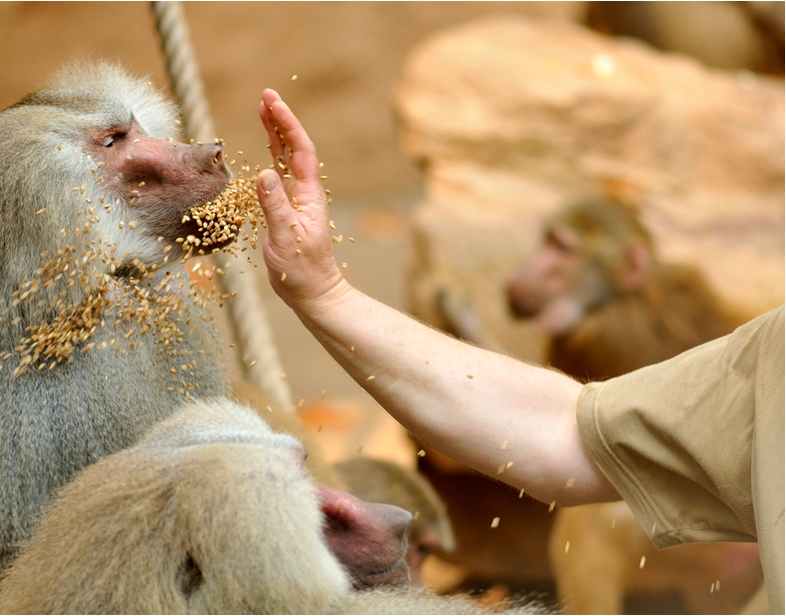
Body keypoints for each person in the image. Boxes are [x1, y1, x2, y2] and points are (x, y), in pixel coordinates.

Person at [254, 89, 784, 612]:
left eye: (563, 254)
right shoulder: (756, 348)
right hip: (705, 514)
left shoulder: (606, 336)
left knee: (587, 522)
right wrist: (323, 292)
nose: (534, 273)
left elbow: (533, 438)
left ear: (632, 269)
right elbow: (561, 430)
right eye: (547, 246)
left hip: (713, 536)